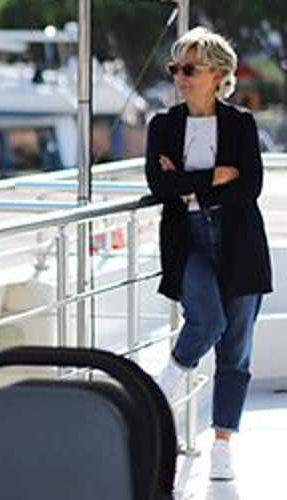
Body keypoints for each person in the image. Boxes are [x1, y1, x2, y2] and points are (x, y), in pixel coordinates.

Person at [145, 27, 271, 481]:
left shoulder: (240, 124)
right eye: (175, 68)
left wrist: (186, 180)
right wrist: (212, 178)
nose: (180, 76)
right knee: (208, 319)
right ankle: (169, 378)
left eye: (190, 69)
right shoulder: (163, 126)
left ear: (218, 74)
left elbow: (250, 187)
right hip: (189, 240)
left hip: (240, 243)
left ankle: (222, 444)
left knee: (235, 352)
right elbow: (160, 187)